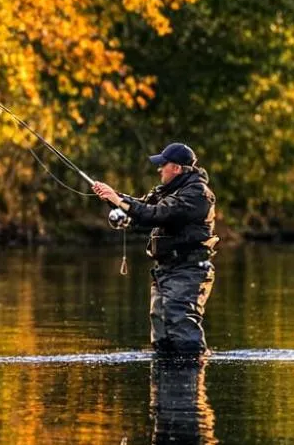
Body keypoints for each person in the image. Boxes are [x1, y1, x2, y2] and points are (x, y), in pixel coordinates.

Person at [92, 142, 217, 358]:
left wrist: (118, 199)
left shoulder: (197, 194)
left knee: (181, 324)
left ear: (176, 168)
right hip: (165, 270)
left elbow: (157, 215)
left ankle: (193, 378)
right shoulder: (167, 191)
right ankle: (164, 389)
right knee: (162, 334)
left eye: (163, 165)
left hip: (189, 269)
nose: (159, 169)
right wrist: (111, 198)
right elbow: (141, 210)